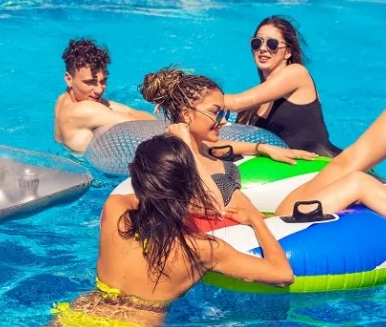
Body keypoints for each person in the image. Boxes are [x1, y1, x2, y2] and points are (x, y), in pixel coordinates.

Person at [142, 21, 386, 270]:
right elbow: (208, 201)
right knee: (357, 176)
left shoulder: (205, 144)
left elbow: (223, 154)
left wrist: (261, 149)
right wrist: (186, 141)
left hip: (272, 218)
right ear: (186, 115)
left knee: (352, 165)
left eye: (222, 113)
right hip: (259, 235)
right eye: (216, 112)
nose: (224, 120)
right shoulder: (175, 152)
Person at [49, 134, 294, 326]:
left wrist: (183, 204)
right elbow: (282, 275)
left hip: (75, 317)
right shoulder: (203, 250)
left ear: (134, 175)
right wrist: (256, 220)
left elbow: (146, 198)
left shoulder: (115, 210)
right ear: (190, 186)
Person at [223, 15, 342, 157]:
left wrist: (200, 98)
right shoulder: (256, 101)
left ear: (288, 52)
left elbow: (236, 103)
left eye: (272, 44)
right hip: (288, 167)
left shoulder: (297, 73)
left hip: (322, 163)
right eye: (257, 43)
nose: (263, 49)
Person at [53, 38, 156, 155]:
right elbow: (148, 128)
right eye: (89, 82)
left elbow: (125, 111)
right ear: (68, 79)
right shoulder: (85, 110)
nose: (99, 90)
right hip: (85, 165)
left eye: (103, 81)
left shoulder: (62, 99)